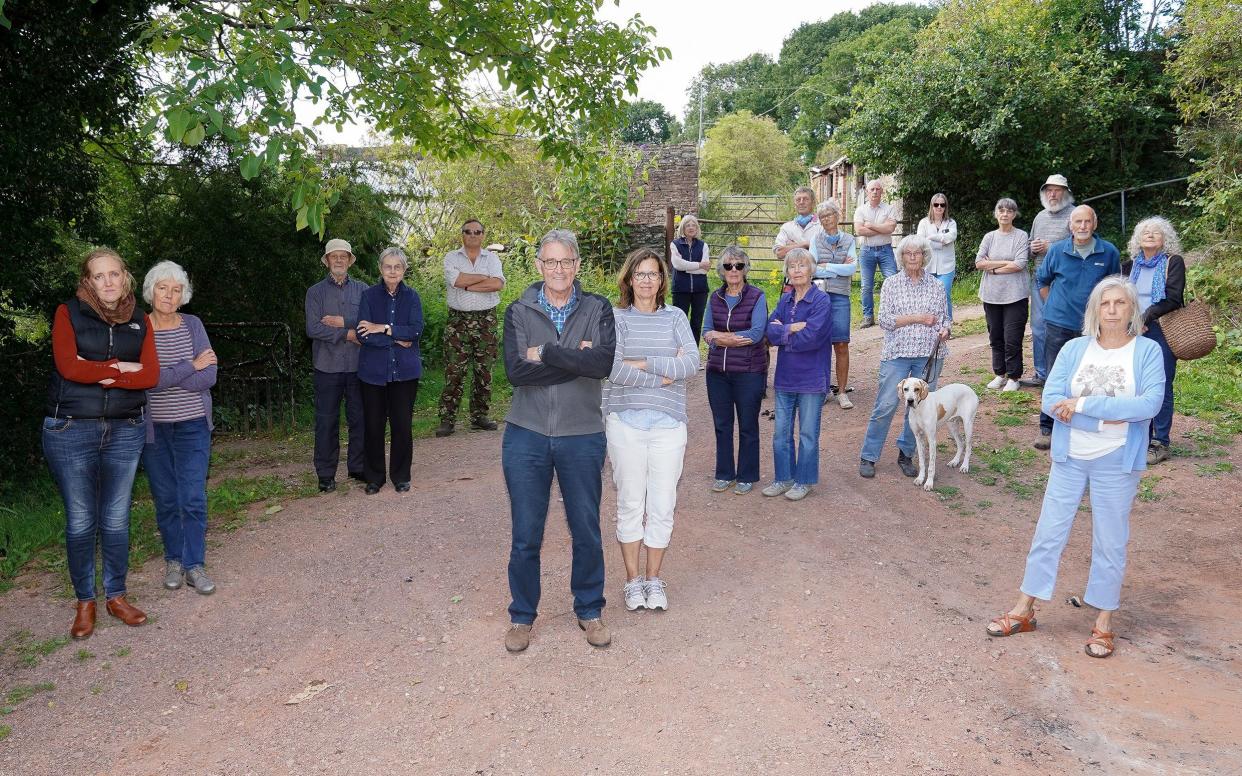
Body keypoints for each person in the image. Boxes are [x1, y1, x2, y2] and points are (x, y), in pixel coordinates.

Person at [985, 277, 1165, 659]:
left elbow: (1148, 406)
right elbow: (1051, 400)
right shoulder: (1074, 348)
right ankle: (1024, 609)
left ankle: (1103, 623)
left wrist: (1082, 406)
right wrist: (1105, 416)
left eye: (1120, 303)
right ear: (1095, 310)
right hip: (1070, 457)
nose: (1113, 310)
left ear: (1132, 309)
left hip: (1117, 460)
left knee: (1110, 540)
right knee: (1049, 532)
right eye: (1105, 303)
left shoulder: (1147, 352)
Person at [501, 229, 617, 653]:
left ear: (578, 265)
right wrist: (575, 357)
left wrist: (545, 352)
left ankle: (589, 609)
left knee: (585, 527)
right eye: (550, 262)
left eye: (566, 261)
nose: (559, 270)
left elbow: (602, 363)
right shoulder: (519, 310)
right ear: (538, 267)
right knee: (526, 532)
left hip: (582, 434)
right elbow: (516, 372)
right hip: (526, 434)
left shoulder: (598, 308)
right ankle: (521, 616)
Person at [44, 248, 159, 639]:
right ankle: (85, 601)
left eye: (114, 274)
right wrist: (118, 369)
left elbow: (151, 375)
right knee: (80, 520)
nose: (108, 282)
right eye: (99, 276)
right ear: (87, 281)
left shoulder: (140, 320)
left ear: (125, 277)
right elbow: (68, 365)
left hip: (126, 427)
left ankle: (116, 596)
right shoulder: (68, 313)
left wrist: (114, 377)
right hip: (71, 428)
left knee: (116, 517)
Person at [605, 248, 699, 612]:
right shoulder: (616, 319)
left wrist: (641, 362)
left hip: (669, 425)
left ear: (662, 280)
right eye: (640, 274)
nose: (647, 280)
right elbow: (611, 368)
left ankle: (653, 579)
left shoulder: (675, 317)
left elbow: (691, 362)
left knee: (663, 505)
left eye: (654, 274)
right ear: (629, 279)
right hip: (625, 423)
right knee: (630, 503)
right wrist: (663, 372)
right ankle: (632, 581)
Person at [141, 261, 218, 595]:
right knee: (166, 499)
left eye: (176, 290)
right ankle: (173, 559)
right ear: (151, 290)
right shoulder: (138, 329)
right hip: (154, 430)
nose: (169, 295)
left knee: (193, 497)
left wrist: (165, 377)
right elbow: (145, 382)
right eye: (162, 288)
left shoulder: (193, 325)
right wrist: (189, 366)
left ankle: (194, 565)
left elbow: (210, 374)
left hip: (193, 425)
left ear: (183, 295)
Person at [858, 235, 949, 479]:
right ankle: (869, 455)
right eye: (907, 253)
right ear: (901, 257)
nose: (912, 257)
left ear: (924, 256)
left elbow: (945, 318)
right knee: (887, 403)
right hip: (897, 353)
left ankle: (906, 454)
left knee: (920, 407)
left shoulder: (937, 285)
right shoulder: (891, 284)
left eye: (917, 253)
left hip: (929, 355)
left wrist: (945, 330)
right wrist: (918, 318)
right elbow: (886, 321)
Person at [1034, 205, 1121, 449]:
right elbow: (1042, 279)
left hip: (1093, 326)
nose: (1082, 226)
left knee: (1091, 375)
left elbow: (1115, 286)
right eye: (1078, 222)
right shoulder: (1058, 251)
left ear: (1094, 224)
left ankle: (1086, 423)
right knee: (1054, 374)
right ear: (1070, 226)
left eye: (1087, 222)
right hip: (1058, 323)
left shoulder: (1109, 252)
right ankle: (1047, 427)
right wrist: (1051, 304)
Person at [762, 248, 833, 501]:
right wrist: (791, 328)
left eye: (802, 265)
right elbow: (768, 331)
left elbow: (813, 338)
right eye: (792, 267)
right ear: (788, 272)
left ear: (811, 269)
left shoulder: (821, 301)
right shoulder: (785, 300)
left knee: (808, 434)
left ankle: (803, 480)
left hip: (812, 378)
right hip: (785, 378)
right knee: (781, 432)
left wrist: (784, 337)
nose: (797, 270)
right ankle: (783, 478)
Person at [355, 248, 424, 495]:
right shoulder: (369, 296)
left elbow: (416, 331)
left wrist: (383, 328)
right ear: (380, 269)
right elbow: (363, 335)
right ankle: (374, 478)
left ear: (404, 270)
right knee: (373, 425)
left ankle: (401, 476)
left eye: (397, 267)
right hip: (372, 372)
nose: (392, 271)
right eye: (388, 266)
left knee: (402, 425)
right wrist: (396, 337)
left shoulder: (413, 297)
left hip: (404, 373)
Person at [703, 247, 769, 496]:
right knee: (722, 424)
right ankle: (724, 473)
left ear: (745, 269)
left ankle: (747, 475)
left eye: (739, 265)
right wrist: (724, 338)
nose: (733, 270)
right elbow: (706, 331)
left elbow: (756, 333)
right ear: (721, 270)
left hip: (749, 371)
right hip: (717, 371)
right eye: (729, 265)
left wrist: (722, 338)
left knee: (748, 425)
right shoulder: (714, 298)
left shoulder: (757, 296)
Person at [305, 238, 367, 492]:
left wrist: (343, 322)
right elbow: (313, 327)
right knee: (326, 422)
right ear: (327, 261)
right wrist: (349, 334)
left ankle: (358, 467)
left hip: (358, 366)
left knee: (360, 419)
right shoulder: (315, 292)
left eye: (343, 256)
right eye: (334, 256)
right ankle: (326, 474)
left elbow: (370, 322)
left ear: (350, 261)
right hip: (326, 367)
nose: (339, 260)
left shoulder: (364, 290)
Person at [1122, 217, 1185, 465]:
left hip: (1161, 330)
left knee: (1161, 383)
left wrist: (1145, 317)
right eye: (1144, 231)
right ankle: (1140, 437)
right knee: (1134, 383)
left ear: (1165, 238)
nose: (1149, 234)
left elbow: (1173, 298)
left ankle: (1160, 441)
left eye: (1155, 232)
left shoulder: (1173, 263)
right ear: (1137, 238)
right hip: (1132, 330)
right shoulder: (1129, 266)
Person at [436, 219, 505, 437]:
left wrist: (468, 283)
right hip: (458, 322)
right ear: (462, 234)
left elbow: (498, 284)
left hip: (486, 321)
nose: (473, 235)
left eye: (477, 232)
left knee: (484, 371)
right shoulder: (451, 257)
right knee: (454, 371)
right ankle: (447, 420)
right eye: (468, 231)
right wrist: (482, 279)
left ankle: (479, 416)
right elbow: (455, 281)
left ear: (483, 235)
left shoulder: (491, 258)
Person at [1020, 175, 1075, 388]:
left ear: (1066, 192)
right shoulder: (1040, 217)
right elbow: (1031, 249)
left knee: (1063, 327)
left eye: (1057, 190)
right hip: (1040, 280)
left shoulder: (1075, 215)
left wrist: (1049, 247)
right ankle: (1041, 374)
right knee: (1039, 327)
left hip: (1064, 282)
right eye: (1049, 190)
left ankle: (1063, 375)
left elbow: (1079, 246)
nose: (1052, 194)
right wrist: (1032, 249)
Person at [975, 198, 1031, 392]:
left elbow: (1020, 264)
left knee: (1012, 337)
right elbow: (979, 263)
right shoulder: (989, 237)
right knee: (995, 336)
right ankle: (999, 374)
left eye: (1009, 211)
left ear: (1014, 214)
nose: (1005, 214)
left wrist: (994, 267)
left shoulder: (1021, 236)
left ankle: (1014, 377)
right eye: (1001, 210)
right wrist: (1004, 262)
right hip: (991, 295)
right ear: (996, 213)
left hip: (1015, 295)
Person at [810, 200, 858, 409]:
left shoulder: (849, 239)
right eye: (822, 217)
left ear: (838, 216)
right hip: (819, 296)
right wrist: (839, 267)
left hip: (840, 296)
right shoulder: (815, 239)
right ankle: (823, 390)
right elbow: (811, 269)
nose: (827, 219)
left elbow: (852, 269)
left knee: (841, 344)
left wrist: (826, 265)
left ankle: (842, 391)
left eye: (830, 215)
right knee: (820, 345)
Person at [853, 180, 899, 328]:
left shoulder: (889, 208)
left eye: (878, 189)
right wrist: (882, 228)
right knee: (866, 286)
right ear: (867, 191)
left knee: (892, 281)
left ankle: (892, 314)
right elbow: (859, 231)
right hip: (866, 251)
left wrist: (871, 226)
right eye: (872, 189)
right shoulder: (860, 210)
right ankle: (868, 316)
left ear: (882, 192)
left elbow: (890, 229)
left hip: (885, 249)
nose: (875, 192)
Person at [668, 214, 711, 345]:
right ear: (682, 228)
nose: (691, 227)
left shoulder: (703, 245)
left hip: (700, 290)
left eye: (693, 225)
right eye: (688, 225)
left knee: (697, 323)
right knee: (680, 322)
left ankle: (694, 354)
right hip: (681, 289)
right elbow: (677, 265)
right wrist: (698, 265)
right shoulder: (675, 244)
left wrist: (686, 266)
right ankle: (679, 353)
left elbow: (706, 268)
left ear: (697, 228)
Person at [916, 193, 959, 323]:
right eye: (936, 204)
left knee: (944, 294)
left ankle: (947, 325)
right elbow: (921, 242)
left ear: (945, 207)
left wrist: (932, 238)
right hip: (928, 265)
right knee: (928, 296)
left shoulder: (951, 223)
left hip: (946, 266)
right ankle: (930, 325)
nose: (939, 207)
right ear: (932, 206)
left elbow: (950, 238)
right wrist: (940, 241)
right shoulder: (924, 223)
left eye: (942, 204)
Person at [774, 186, 822, 265]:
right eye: (798, 200)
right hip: (793, 275)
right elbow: (779, 253)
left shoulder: (822, 225)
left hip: (816, 274)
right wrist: (805, 244)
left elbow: (825, 253)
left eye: (805, 199)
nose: (801, 202)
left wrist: (792, 246)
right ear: (795, 204)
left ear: (813, 203)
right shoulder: (786, 227)